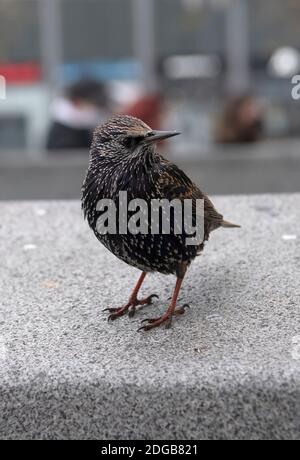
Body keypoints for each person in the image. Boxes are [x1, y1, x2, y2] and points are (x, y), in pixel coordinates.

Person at [46, 79, 110, 151]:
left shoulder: (88, 123)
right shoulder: (64, 125)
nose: (95, 109)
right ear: (77, 101)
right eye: (92, 104)